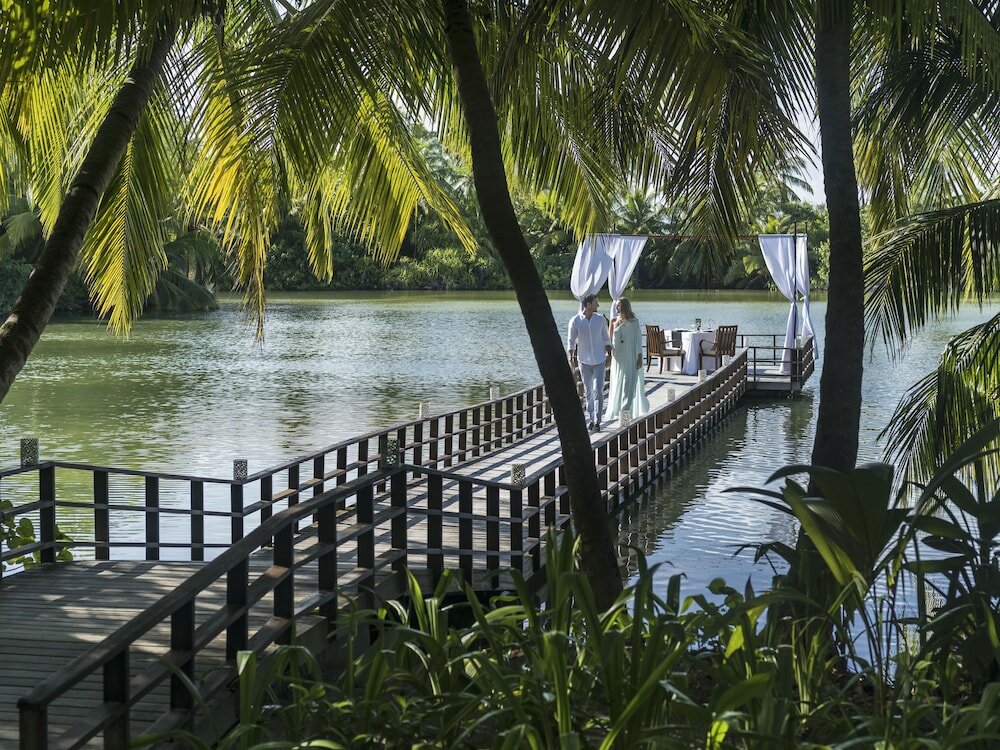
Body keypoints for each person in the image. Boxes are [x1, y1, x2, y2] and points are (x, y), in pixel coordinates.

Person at [567, 294, 611, 432]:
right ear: (588, 305)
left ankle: (598, 420)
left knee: (598, 390)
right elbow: (571, 341)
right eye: (595, 303)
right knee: (588, 391)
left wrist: (609, 354)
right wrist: (571, 358)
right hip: (584, 361)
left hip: (599, 359)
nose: (598, 305)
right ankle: (591, 418)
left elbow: (606, 337)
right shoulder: (576, 321)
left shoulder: (600, 319)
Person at [605, 297, 650, 423]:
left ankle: (625, 415)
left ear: (624, 306)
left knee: (628, 385)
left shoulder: (634, 321)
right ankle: (618, 411)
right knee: (618, 385)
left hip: (630, 357)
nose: (616, 308)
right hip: (618, 358)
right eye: (616, 306)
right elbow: (609, 341)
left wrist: (639, 356)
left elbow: (638, 340)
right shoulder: (614, 321)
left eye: (618, 306)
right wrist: (608, 355)